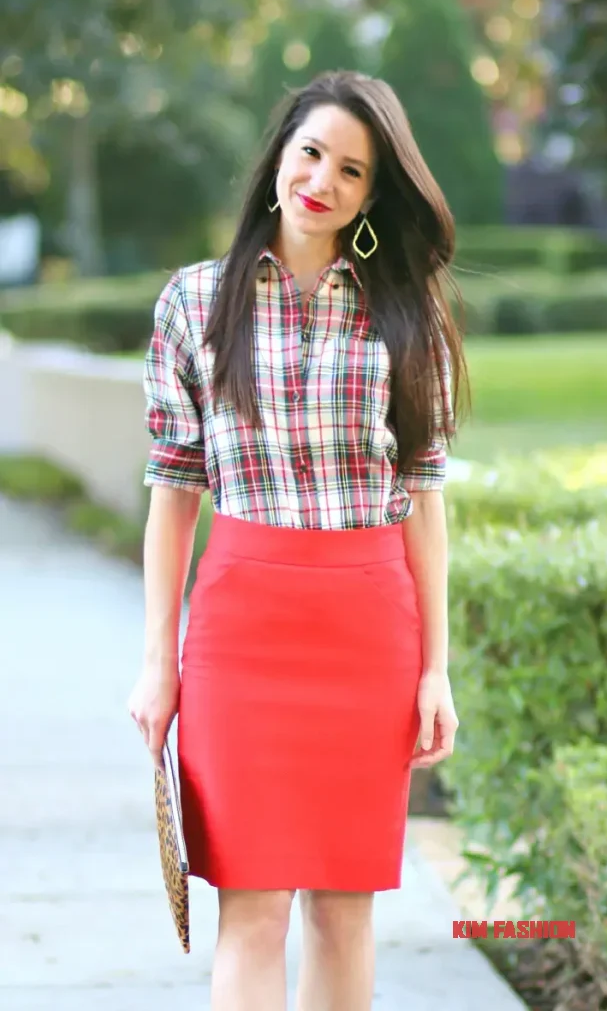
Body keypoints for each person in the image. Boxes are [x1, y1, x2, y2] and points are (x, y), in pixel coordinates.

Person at [127, 69, 468, 1011]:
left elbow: (425, 501)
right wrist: (160, 663)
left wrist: (434, 668)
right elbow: (173, 489)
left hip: (367, 630)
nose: (322, 180)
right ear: (281, 152)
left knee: (342, 912)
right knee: (252, 912)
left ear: (373, 193)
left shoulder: (409, 314)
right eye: (311, 151)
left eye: (352, 170)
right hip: (240, 632)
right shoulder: (195, 303)